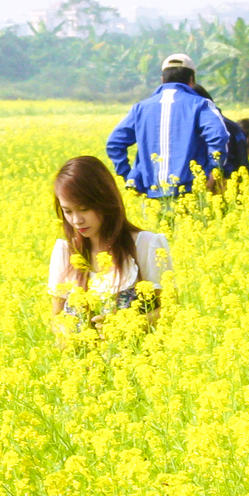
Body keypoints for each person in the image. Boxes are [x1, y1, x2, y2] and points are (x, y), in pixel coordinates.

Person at [48, 156, 171, 331]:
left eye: (84, 209)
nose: (76, 220)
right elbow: (56, 318)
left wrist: (127, 327)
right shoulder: (65, 250)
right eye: (68, 211)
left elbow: (170, 308)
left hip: (137, 355)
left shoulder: (145, 244)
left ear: (104, 200)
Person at [105, 54, 229, 198]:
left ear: (162, 80)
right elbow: (219, 136)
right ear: (192, 80)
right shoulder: (200, 104)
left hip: (151, 192)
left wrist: (129, 177)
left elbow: (114, 143)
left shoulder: (140, 108)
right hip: (191, 190)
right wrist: (214, 170)